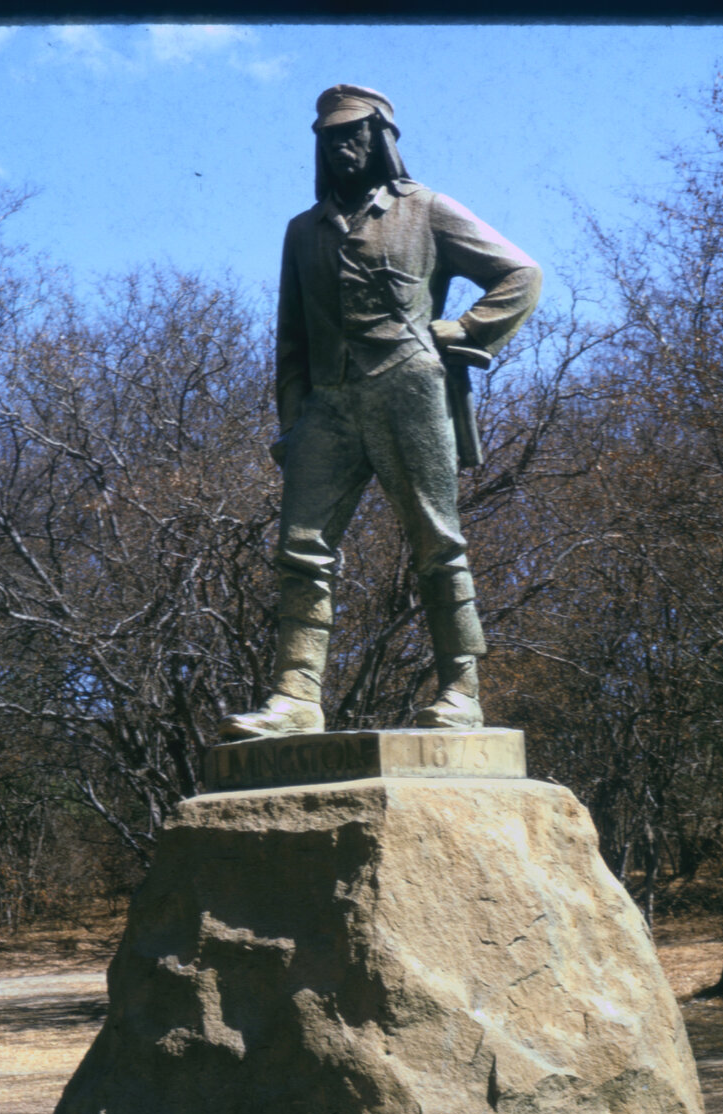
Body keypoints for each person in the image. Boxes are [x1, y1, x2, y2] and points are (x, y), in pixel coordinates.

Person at [218, 84, 542, 740]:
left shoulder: (425, 209)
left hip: (407, 391)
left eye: (353, 134)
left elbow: (520, 274)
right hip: (328, 408)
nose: (342, 145)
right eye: (330, 137)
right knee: (301, 550)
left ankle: (461, 689)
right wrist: (291, 424)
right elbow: (292, 342)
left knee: (436, 541)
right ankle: (296, 696)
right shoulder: (302, 232)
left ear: (380, 139)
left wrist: (459, 332)